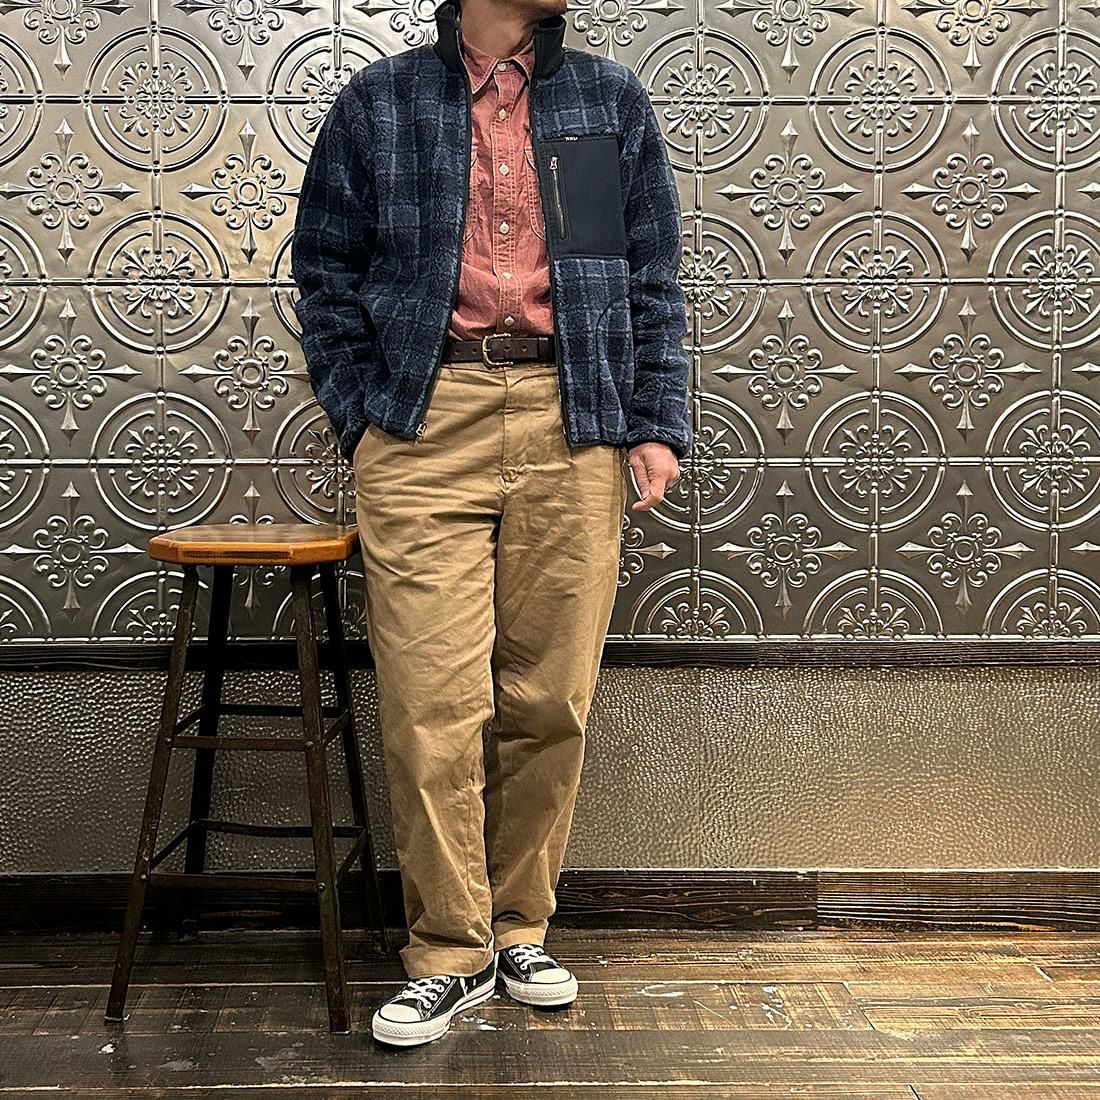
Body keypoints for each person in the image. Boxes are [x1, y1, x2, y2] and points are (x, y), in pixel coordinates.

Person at [290, 0, 691, 1047]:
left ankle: (520, 929)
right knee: (432, 700)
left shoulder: (606, 99)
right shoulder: (380, 101)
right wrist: (363, 418)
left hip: (575, 415)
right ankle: (448, 949)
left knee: (550, 696)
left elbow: (651, 277)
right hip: (427, 420)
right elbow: (324, 270)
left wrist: (654, 423)